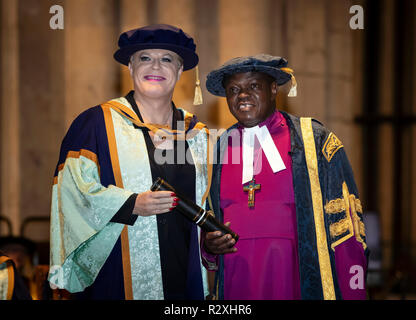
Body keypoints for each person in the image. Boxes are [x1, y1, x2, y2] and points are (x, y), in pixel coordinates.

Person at [49, 24, 211, 300]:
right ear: (130, 67)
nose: (156, 66)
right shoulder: (95, 124)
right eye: (145, 58)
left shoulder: (196, 134)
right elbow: (71, 193)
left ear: (180, 70)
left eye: (167, 59)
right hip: (116, 271)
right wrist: (130, 204)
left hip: (184, 269)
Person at [202, 54, 369, 300]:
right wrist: (209, 247)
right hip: (238, 278)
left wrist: (354, 293)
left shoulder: (315, 141)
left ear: (273, 89)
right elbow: (210, 218)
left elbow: (347, 225)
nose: (243, 95)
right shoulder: (219, 148)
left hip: (294, 279)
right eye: (234, 89)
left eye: (254, 86)